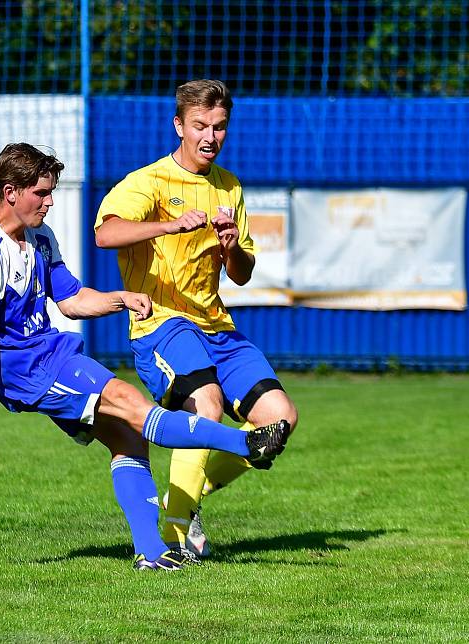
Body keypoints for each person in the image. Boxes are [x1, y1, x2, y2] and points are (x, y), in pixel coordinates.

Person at [0, 142, 290, 571]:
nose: (49, 202)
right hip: (26, 367)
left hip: (51, 352)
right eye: (41, 193)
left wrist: (120, 298)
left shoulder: (39, 237)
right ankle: (245, 442)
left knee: (128, 437)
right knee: (130, 403)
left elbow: (69, 300)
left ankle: (152, 554)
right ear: (10, 192)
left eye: (52, 192)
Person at [94, 80, 299, 558]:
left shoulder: (229, 186)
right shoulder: (148, 182)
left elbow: (243, 274)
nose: (211, 135)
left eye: (220, 126)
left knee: (280, 421)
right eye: (200, 125)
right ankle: (174, 537)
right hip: (161, 322)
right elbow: (107, 234)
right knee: (204, 402)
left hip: (217, 326)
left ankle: (183, 499)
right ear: (179, 126)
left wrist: (231, 248)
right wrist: (168, 223)